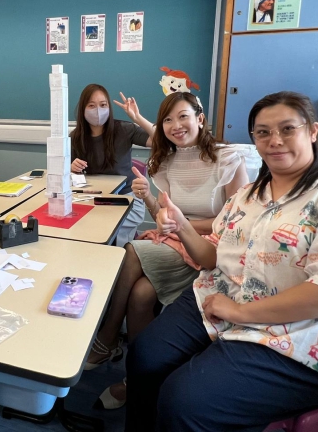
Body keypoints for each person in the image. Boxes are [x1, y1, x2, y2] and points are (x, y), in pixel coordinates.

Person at [125, 91, 318, 431]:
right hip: (220, 296)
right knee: (145, 356)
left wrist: (239, 313)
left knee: (184, 400)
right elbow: (212, 256)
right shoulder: (249, 196)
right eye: (263, 132)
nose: (274, 140)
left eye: (287, 129)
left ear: (312, 131)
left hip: (303, 330)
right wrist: (181, 224)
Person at [86, 91, 251, 409]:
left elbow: (234, 221)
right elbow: (166, 217)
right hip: (178, 241)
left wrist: (184, 224)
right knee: (141, 294)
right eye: (167, 120)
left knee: (131, 250)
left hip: (215, 249)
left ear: (199, 119)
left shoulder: (228, 158)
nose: (176, 125)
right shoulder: (169, 161)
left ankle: (107, 338)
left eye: (183, 116)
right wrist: (148, 197)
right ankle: (137, 377)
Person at [70, 84, 153, 247]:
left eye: (103, 105)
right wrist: (71, 168)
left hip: (127, 199)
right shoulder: (75, 137)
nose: (98, 111)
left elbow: (160, 141)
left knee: (105, 231)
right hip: (94, 199)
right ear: (83, 109)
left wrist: (137, 118)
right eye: (91, 105)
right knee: (80, 227)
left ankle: (121, 259)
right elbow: (68, 177)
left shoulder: (125, 129)